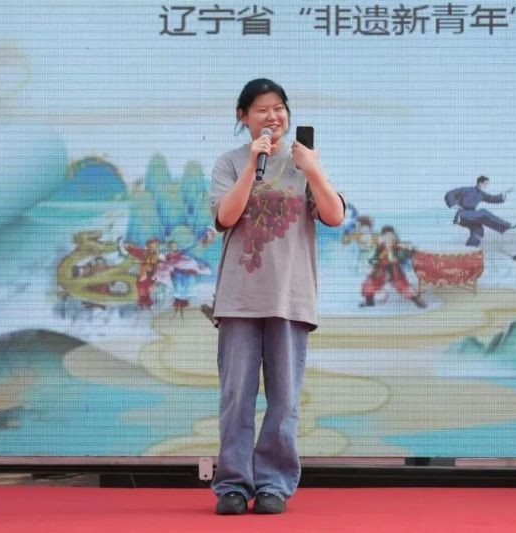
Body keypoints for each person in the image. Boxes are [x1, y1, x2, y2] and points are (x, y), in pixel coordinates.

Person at [208, 78, 345, 515]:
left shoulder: (305, 162)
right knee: (237, 397)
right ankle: (233, 484)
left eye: (279, 108)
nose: (272, 116)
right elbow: (226, 217)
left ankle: (274, 484)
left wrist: (314, 170)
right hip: (239, 299)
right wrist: (253, 163)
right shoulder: (230, 163)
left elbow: (334, 216)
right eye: (261, 109)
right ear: (243, 116)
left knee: (284, 399)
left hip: (290, 298)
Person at [360, 225, 425, 308]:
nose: (387, 237)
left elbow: (407, 253)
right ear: (382, 236)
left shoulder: (397, 246)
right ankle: (369, 302)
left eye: (389, 235)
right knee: (370, 284)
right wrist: (374, 260)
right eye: (385, 235)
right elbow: (374, 257)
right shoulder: (380, 246)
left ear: (393, 235)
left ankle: (417, 301)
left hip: (394, 270)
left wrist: (409, 252)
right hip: (381, 270)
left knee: (403, 285)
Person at [444, 175, 516, 247]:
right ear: (479, 183)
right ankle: (507, 226)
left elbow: (492, 198)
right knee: (483, 212)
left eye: (487, 184)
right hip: (462, 214)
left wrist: (503, 194)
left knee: (479, 230)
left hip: (472, 216)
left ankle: (471, 247)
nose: (486, 186)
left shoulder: (481, 194)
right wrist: (453, 204)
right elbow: (450, 193)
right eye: (485, 184)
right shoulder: (467, 189)